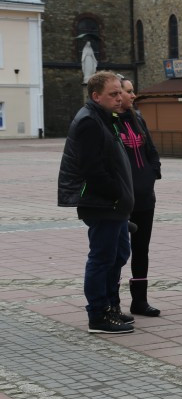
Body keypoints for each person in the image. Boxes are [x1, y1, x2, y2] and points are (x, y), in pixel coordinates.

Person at [58, 71, 135, 333]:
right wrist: (116, 194)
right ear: (96, 96)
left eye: (120, 93)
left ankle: (111, 306)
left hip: (114, 203)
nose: (119, 98)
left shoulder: (106, 118)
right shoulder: (89, 121)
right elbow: (93, 169)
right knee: (102, 258)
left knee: (119, 255)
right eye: (113, 94)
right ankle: (98, 315)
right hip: (102, 203)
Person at [118, 78, 162, 316]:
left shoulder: (138, 119)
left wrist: (151, 174)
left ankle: (139, 301)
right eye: (128, 91)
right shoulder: (108, 122)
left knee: (141, 249)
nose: (133, 95)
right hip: (121, 198)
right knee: (117, 251)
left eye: (132, 91)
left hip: (145, 197)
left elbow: (151, 152)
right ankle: (112, 301)